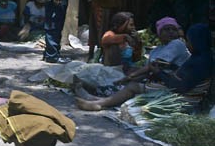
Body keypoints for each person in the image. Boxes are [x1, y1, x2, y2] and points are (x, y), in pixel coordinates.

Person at [76, 23, 213, 111]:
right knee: (134, 80)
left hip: (185, 97)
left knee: (133, 86)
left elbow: (180, 86)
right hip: (181, 88)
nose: (187, 44)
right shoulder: (202, 56)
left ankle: (101, 103)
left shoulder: (199, 60)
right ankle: (100, 100)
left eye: (189, 41)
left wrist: (159, 73)